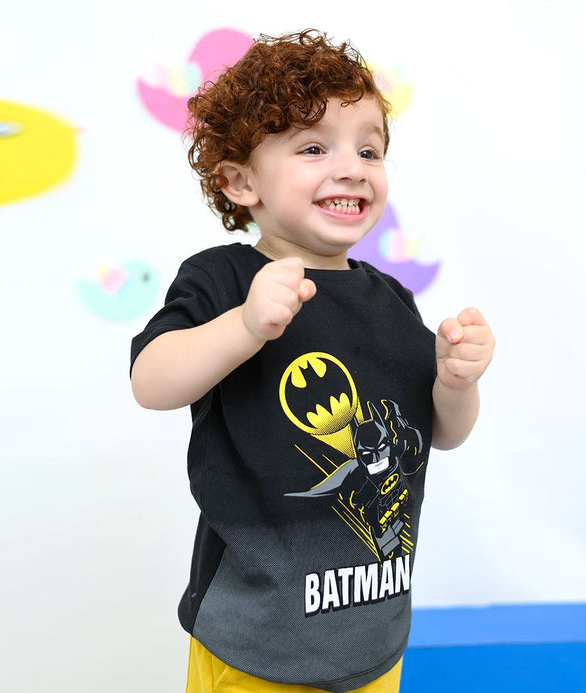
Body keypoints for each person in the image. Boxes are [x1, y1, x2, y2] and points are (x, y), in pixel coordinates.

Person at [130, 29, 495, 693]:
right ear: (241, 181)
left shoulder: (390, 299)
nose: (352, 167)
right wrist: (244, 325)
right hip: (256, 639)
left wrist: (456, 381)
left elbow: (442, 432)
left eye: (368, 149)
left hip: (374, 634)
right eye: (313, 147)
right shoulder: (224, 279)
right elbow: (151, 381)